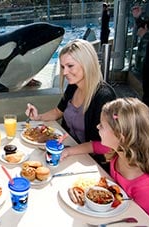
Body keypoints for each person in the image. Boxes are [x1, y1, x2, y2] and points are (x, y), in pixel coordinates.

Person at [60, 97, 149, 227]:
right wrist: (68, 151)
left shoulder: (147, 188)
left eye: (102, 125)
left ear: (120, 136)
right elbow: (93, 146)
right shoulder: (119, 149)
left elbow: (143, 223)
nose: (97, 127)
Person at [25, 39, 116, 171]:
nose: (64, 72)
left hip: (91, 162)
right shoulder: (73, 86)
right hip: (69, 150)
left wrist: (69, 151)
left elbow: (104, 145)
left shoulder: (104, 96)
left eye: (70, 66)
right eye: (62, 67)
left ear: (87, 64)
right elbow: (58, 111)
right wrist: (37, 117)